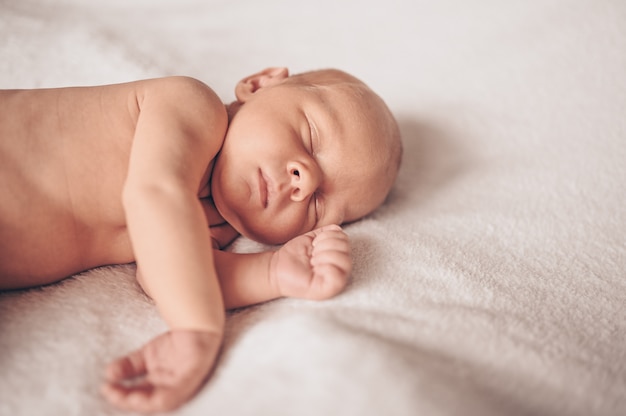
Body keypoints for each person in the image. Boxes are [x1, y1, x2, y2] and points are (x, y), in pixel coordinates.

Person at [0, 67, 402, 413]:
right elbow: (156, 195)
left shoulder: (215, 229)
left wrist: (274, 273)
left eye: (319, 204)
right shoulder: (191, 105)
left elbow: (166, 273)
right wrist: (197, 329)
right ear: (259, 85)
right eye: (310, 135)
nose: (304, 180)